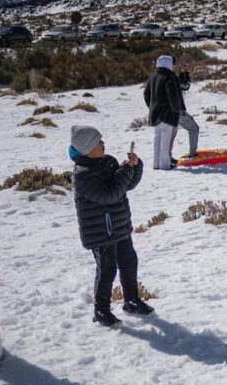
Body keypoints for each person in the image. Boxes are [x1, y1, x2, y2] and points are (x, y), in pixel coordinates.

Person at [69, 125, 150, 327]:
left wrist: (135, 166)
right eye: (98, 141)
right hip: (100, 232)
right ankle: (101, 311)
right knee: (107, 270)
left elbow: (126, 185)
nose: (103, 143)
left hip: (119, 225)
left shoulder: (108, 162)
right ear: (88, 148)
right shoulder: (82, 175)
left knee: (129, 261)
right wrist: (126, 171)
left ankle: (131, 300)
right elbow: (109, 195)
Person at [143, 55, 186, 170]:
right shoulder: (169, 77)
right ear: (168, 64)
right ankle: (165, 165)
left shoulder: (153, 77)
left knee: (157, 139)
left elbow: (146, 94)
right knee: (165, 142)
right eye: (172, 63)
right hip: (167, 114)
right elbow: (173, 96)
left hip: (155, 113)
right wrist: (177, 109)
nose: (173, 66)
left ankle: (156, 164)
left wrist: (152, 106)